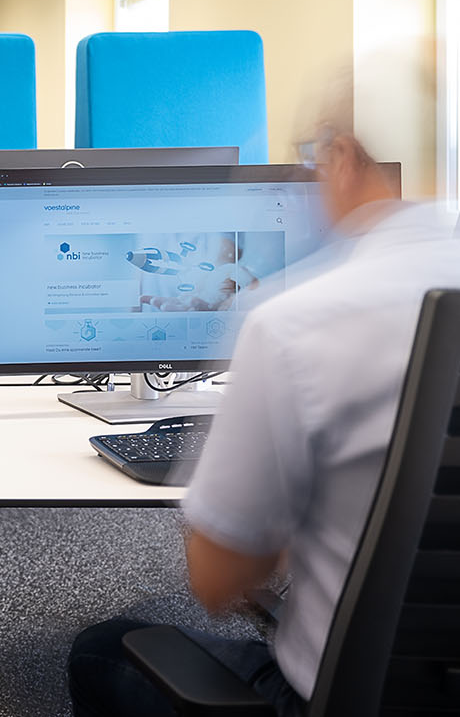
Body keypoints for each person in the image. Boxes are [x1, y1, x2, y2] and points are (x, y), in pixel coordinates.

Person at [67, 107, 460, 716]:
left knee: (99, 648)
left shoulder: (299, 321)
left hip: (347, 699)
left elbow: (219, 581)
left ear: (345, 159)